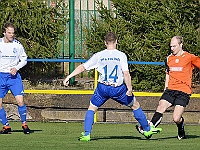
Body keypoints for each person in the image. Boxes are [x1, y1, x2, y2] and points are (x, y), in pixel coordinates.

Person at [63, 32, 162, 141]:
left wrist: (68, 77)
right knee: (135, 105)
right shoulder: (121, 55)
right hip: (118, 89)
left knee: (92, 108)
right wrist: (129, 88)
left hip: (103, 88)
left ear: (105, 42)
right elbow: (126, 74)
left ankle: (86, 134)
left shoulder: (99, 55)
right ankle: (147, 129)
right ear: (116, 42)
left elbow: (82, 67)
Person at [136, 35, 200, 140]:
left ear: (181, 45)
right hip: (170, 90)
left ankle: (181, 126)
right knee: (161, 106)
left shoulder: (189, 57)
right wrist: (165, 88)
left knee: (176, 118)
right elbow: (168, 74)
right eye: (171, 46)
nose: (172, 49)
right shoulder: (169, 58)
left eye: (174, 46)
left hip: (183, 91)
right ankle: (149, 130)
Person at [0, 22, 31, 134]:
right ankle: (6, 126)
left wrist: (16, 68)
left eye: (13, 33)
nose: (11, 35)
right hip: (1, 76)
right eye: (9, 33)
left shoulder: (17, 45)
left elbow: (24, 59)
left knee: (20, 101)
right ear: (4, 32)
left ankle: (24, 124)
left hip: (13, 77)